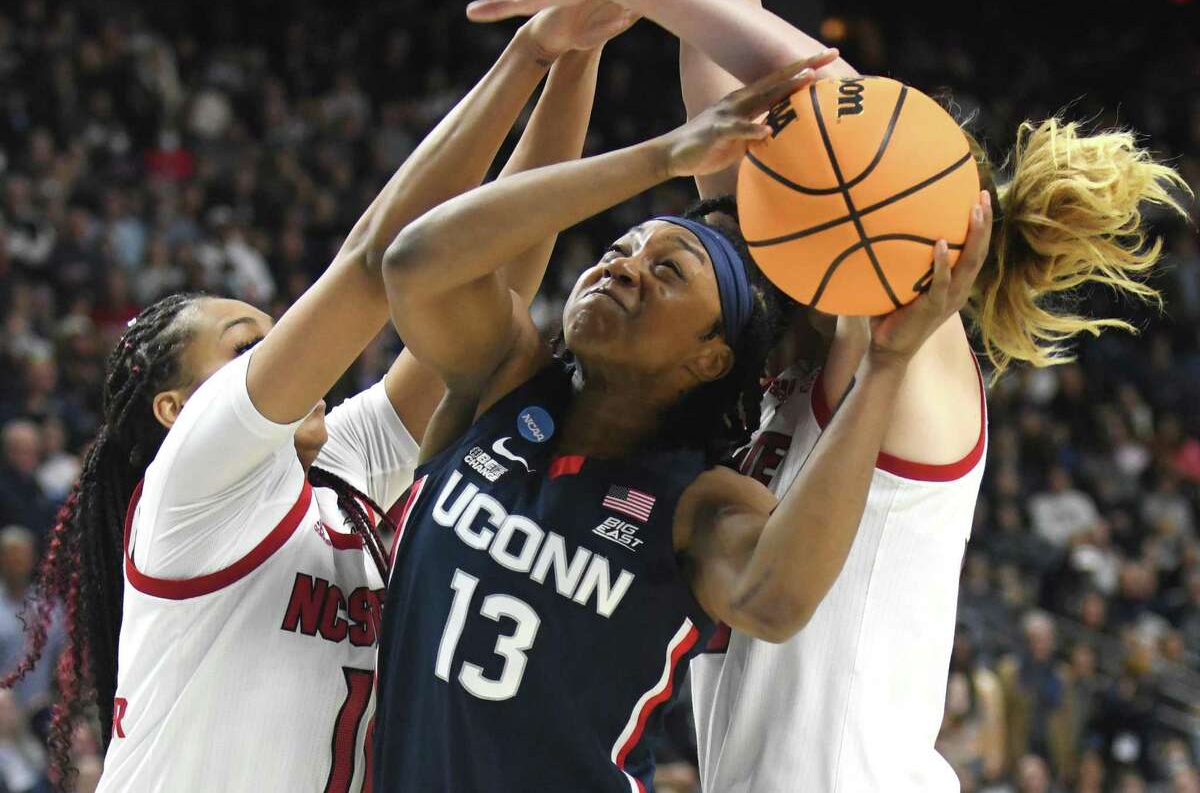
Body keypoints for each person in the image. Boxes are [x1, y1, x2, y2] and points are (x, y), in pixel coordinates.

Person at [465, 0, 1189, 789]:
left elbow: (807, 85)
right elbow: (729, 85)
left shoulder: (909, 345)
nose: (745, 217)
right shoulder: (795, 365)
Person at [1, 2, 627, 789]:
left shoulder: (341, 468)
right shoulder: (193, 481)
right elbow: (374, 261)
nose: (292, 354)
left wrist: (581, 48)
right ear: (178, 408)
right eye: (246, 348)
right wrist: (529, 52)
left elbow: (492, 286)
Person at [370, 39, 990, 786]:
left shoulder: (695, 502)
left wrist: (885, 368)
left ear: (710, 358)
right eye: (621, 248)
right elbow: (413, 264)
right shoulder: (504, 384)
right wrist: (658, 158)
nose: (622, 267)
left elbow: (776, 599)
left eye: (668, 271)